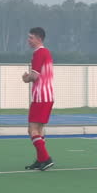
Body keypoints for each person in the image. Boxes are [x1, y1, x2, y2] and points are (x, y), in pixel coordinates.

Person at [21, 26, 54, 170]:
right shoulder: (45, 52)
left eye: (31, 37)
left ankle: (46, 158)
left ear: (39, 39)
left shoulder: (39, 53)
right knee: (39, 130)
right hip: (47, 96)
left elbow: (34, 76)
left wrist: (26, 78)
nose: (28, 40)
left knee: (32, 130)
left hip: (41, 97)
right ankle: (41, 160)